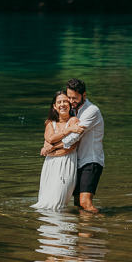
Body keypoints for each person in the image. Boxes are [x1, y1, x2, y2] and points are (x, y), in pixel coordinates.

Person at [42, 78, 104, 213]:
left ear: (84, 95)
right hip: (76, 160)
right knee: (77, 203)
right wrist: (47, 142)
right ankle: (86, 230)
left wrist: (51, 147)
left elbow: (74, 137)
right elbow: (57, 129)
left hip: (90, 160)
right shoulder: (74, 110)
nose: (71, 101)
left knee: (85, 202)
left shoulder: (91, 111)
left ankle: (102, 222)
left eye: (74, 98)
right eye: (69, 97)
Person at [31, 92, 84, 211]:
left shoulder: (74, 120)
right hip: (50, 164)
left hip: (66, 163)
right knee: (46, 200)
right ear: (54, 106)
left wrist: (52, 148)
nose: (62, 104)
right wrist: (68, 130)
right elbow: (49, 139)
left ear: (70, 104)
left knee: (58, 200)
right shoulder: (50, 123)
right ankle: (48, 228)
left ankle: (61, 227)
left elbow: (71, 146)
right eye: (59, 102)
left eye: (65, 101)